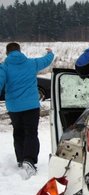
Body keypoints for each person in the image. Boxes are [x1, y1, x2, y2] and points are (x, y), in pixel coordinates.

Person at [0, 43, 54, 178]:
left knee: (18, 132)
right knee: (31, 132)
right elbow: (46, 60)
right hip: (31, 106)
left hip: (14, 107)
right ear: (20, 51)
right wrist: (50, 53)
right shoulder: (31, 63)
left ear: (7, 53)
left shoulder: (4, 67)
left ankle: (20, 159)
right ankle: (29, 160)